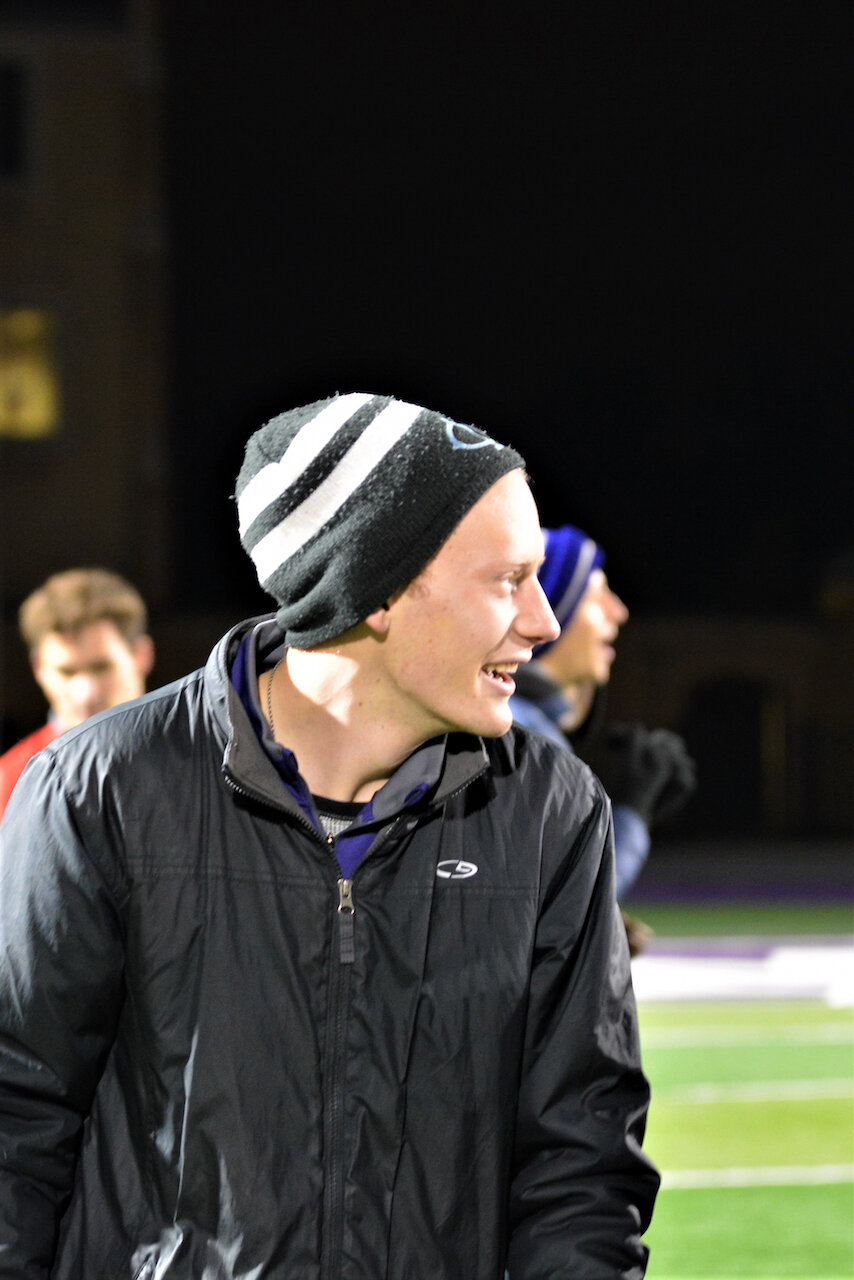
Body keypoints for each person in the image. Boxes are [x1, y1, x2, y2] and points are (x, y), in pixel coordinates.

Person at [0, 393, 659, 1277]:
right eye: (508, 579)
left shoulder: (550, 808)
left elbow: (581, 1167)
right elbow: (17, 1118)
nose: (542, 621)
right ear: (376, 587)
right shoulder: (101, 788)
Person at [510, 525, 696, 952]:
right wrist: (633, 810)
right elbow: (571, 902)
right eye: (599, 595)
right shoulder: (518, 730)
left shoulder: (529, 723)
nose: (619, 611)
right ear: (554, 609)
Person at [0, 567, 155, 819]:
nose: (85, 693)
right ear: (38, 668)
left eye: (101, 667)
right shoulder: (10, 782)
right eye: (66, 672)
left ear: (141, 655)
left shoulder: (200, 756)